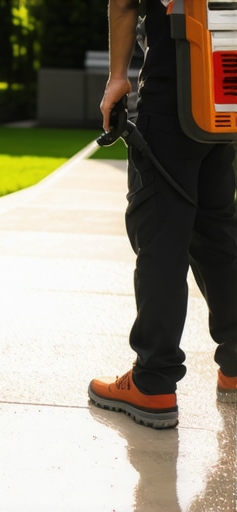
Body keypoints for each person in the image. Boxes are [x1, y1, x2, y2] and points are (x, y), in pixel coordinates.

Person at [88, 0, 237, 429]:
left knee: (161, 235)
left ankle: (152, 382)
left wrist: (117, 79)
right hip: (221, 81)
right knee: (216, 232)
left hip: (175, 85)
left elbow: (124, 4)